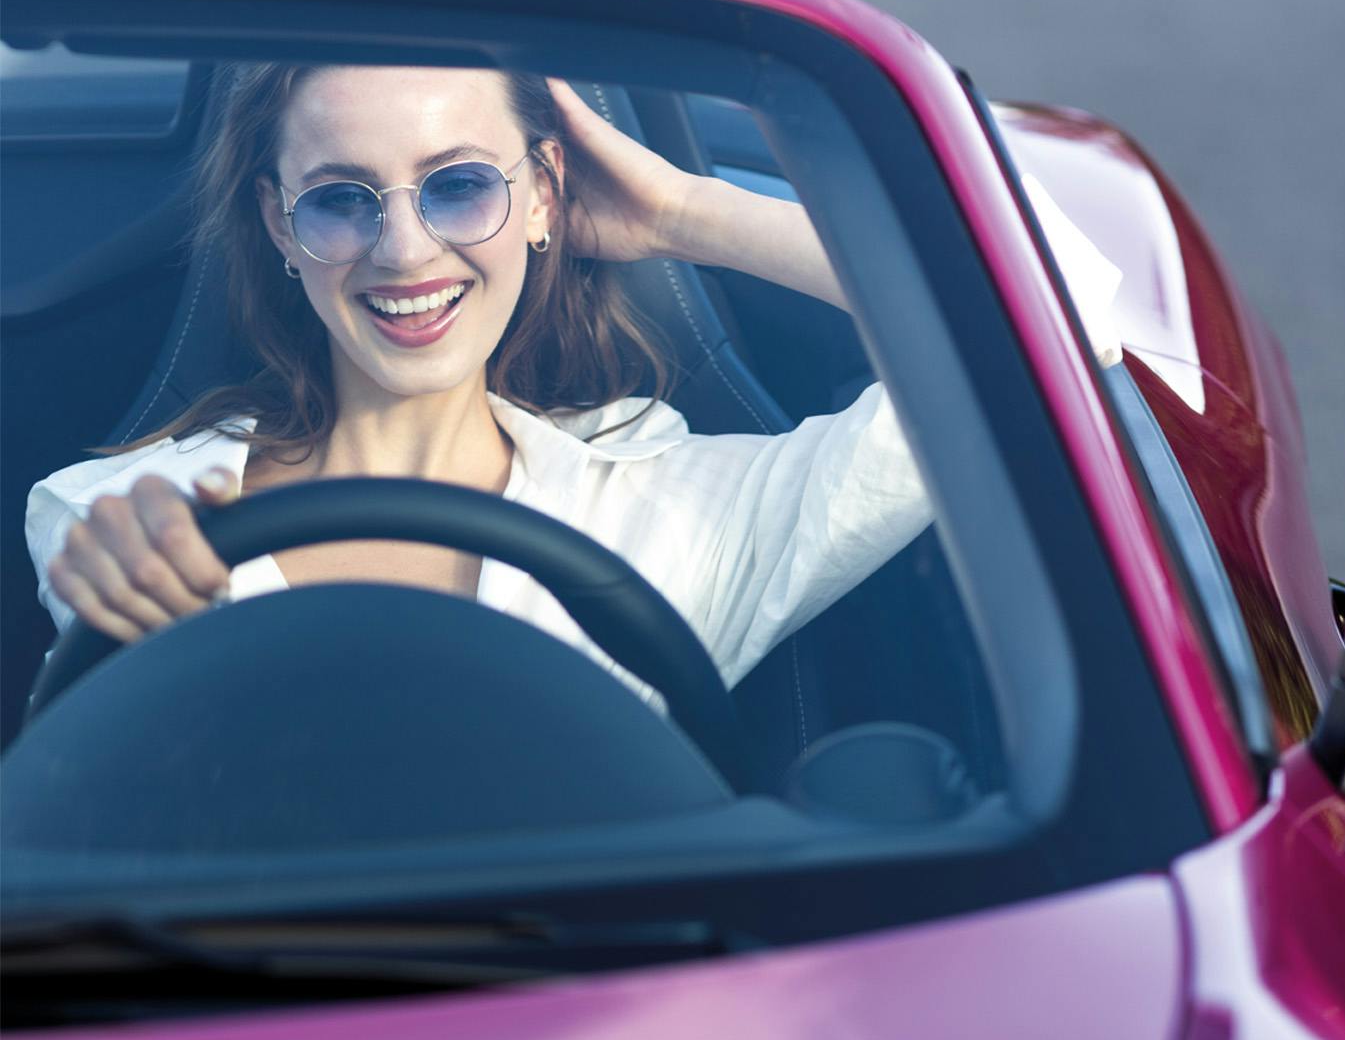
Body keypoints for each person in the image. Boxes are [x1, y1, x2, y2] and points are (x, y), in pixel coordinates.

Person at [26, 64, 931, 703]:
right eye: (342, 199)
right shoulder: (115, 514)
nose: (405, 251)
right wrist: (117, 596)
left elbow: (1064, 320)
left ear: (543, 194)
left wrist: (680, 212)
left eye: (458, 186)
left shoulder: (665, 512)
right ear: (278, 223)